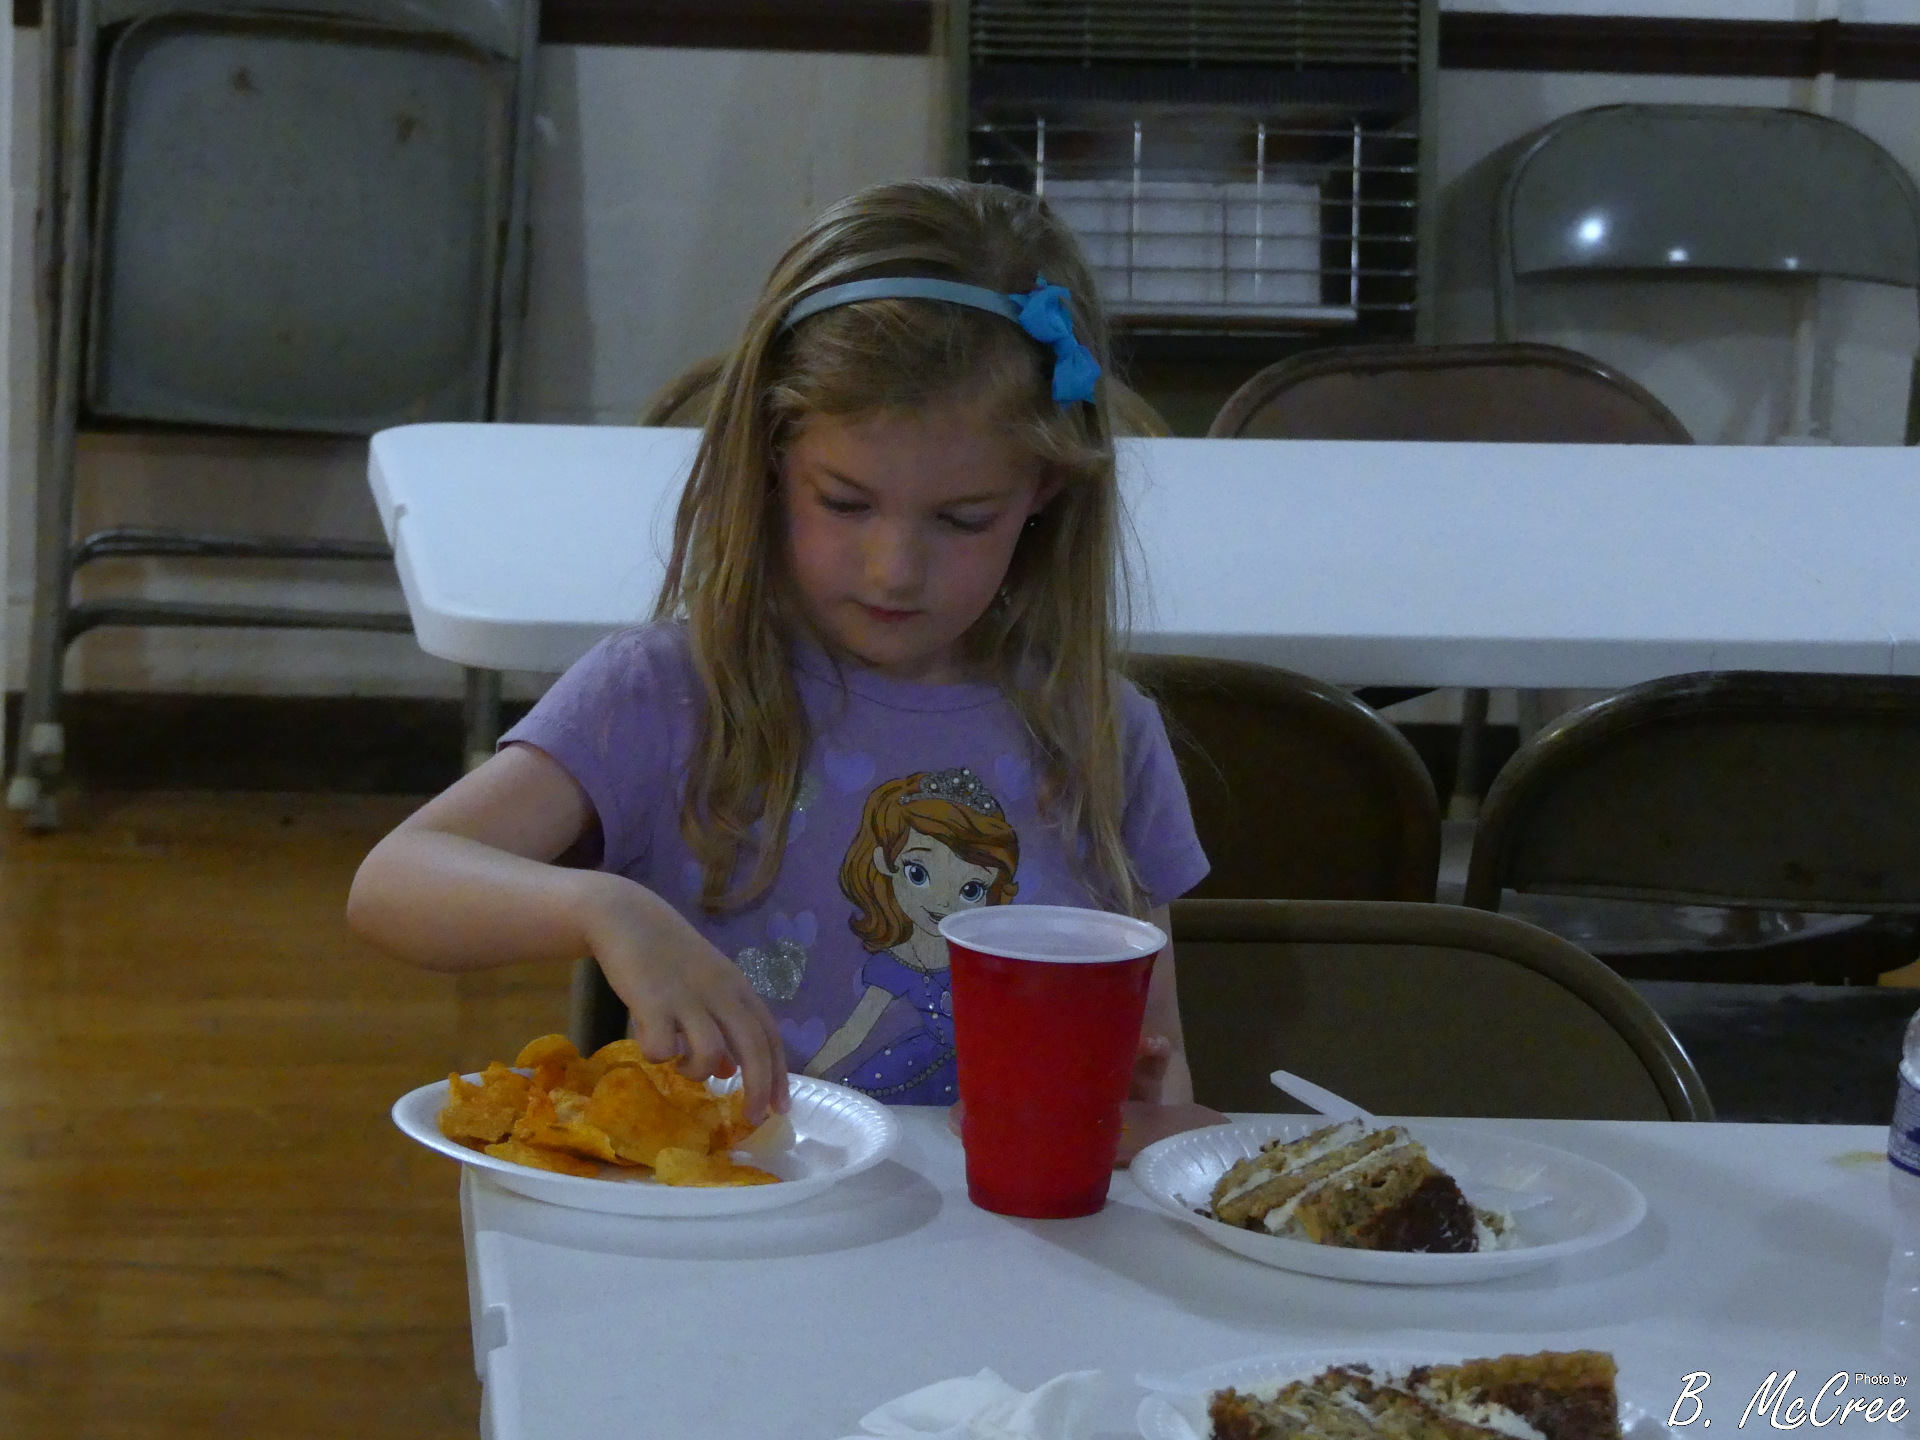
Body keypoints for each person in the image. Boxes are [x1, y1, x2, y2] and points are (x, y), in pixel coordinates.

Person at [347, 177, 1219, 1151]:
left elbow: (1161, 1067)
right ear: (770, 458)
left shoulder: (1103, 732)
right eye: (844, 503)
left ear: (1045, 491)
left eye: (963, 519)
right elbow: (393, 883)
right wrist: (603, 908)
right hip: (744, 1218)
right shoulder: (668, 693)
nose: (894, 569)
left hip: (1003, 1233)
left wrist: (1144, 1120)